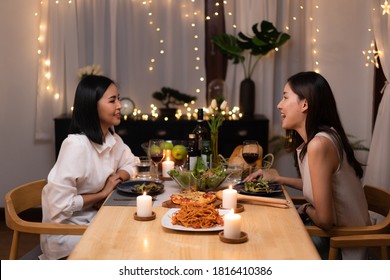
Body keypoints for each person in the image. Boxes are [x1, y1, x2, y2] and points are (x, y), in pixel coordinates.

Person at [244, 71, 371, 259]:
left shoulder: (319, 144)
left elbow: (326, 220)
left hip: (343, 245)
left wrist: (303, 209)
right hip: (335, 236)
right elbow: (321, 187)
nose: (279, 105)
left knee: (264, 245)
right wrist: (278, 179)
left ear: (305, 104)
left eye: (286, 97)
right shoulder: (322, 138)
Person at [40, 75, 139, 260]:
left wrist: (117, 178)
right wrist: (102, 194)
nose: (120, 105)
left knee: (137, 232)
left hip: (96, 221)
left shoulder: (112, 139)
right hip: (68, 234)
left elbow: (132, 163)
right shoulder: (76, 146)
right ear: (92, 106)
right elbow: (59, 205)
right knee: (131, 243)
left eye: (118, 98)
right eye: (112, 100)